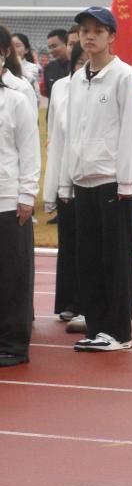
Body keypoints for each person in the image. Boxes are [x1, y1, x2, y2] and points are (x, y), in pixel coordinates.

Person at [57, 7, 132, 352]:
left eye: (97, 30)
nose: (89, 36)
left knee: (115, 259)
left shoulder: (123, 76)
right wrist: (65, 182)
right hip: (83, 181)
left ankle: (119, 331)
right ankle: (96, 326)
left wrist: (126, 181)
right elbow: (71, 133)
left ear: (111, 36)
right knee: (88, 258)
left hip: (112, 181)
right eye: (84, 31)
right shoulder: (77, 80)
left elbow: (131, 129)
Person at [0, 52, 39, 367]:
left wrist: (27, 194)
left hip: (8, 199)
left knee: (12, 276)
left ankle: (13, 344)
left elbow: (29, 150)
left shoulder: (15, 100)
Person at [43, 43, 85, 329]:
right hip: (66, 178)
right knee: (69, 242)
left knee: (92, 245)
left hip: (97, 177)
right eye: (79, 61)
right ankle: (70, 302)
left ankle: (92, 304)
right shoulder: (61, 88)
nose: (84, 66)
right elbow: (55, 139)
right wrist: (55, 187)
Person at [41, 28, 71, 98]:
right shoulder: (48, 68)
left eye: (54, 46)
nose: (51, 51)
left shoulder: (77, 66)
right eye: (49, 47)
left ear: (66, 44)